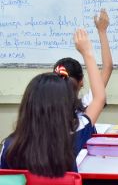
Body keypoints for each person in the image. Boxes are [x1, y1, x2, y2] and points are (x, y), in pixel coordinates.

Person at [0, 29, 106, 177]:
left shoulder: (10, 146)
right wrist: (87, 53)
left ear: (27, 106)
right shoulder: (73, 136)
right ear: (64, 107)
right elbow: (99, 98)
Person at [53, 8, 112, 154]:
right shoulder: (83, 111)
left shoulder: (42, 112)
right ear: (81, 82)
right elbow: (107, 68)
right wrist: (102, 32)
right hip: (80, 171)